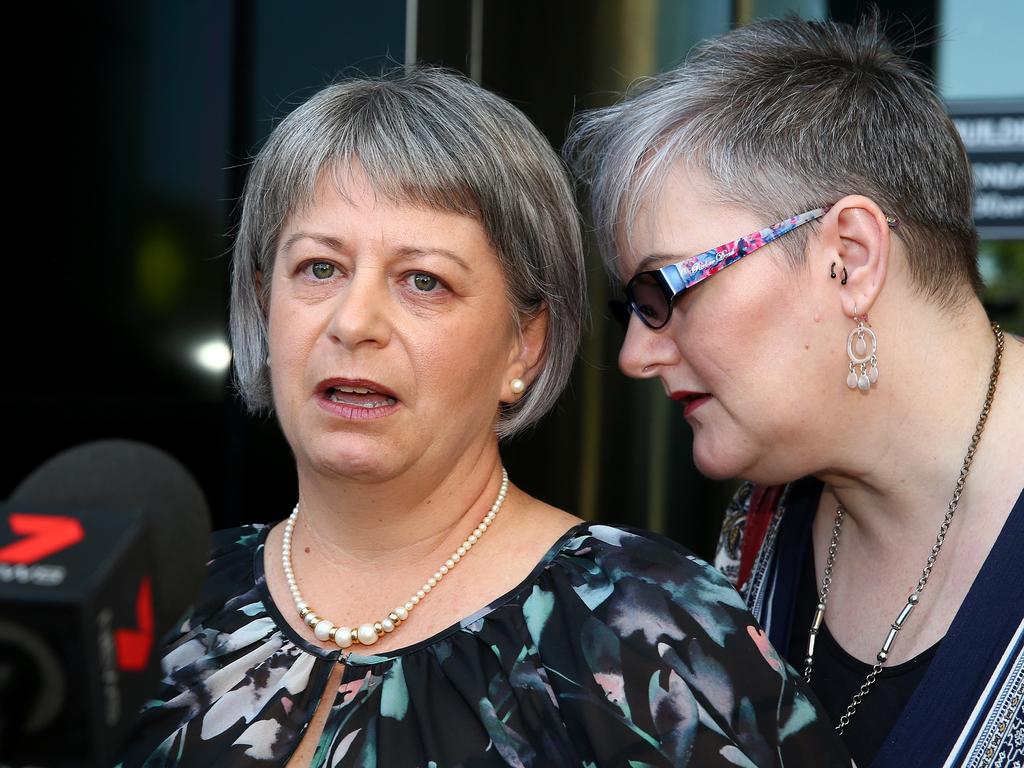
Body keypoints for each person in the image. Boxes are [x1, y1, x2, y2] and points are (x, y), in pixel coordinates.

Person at [116, 68, 849, 767]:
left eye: (423, 281)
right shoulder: (154, 604)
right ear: (262, 300)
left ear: (523, 344)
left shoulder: (644, 629)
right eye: (319, 268)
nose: (354, 322)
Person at [567, 13, 1024, 768]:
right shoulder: (763, 519)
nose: (635, 355)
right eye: (633, 308)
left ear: (849, 256)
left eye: (664, 290)